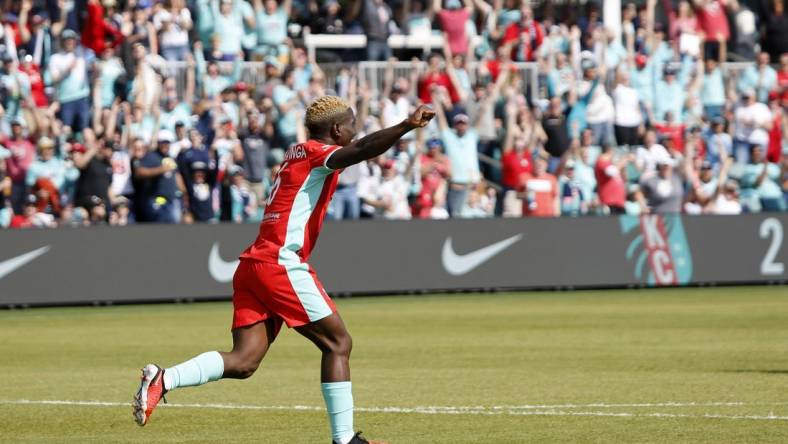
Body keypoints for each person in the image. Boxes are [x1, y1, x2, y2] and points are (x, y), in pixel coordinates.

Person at [133, 97, 435, 444]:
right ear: (337, 129)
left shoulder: (298, 153)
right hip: (279, 263)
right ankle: (344, 439)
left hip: (254, 264)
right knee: (339, 343)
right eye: (351, 124)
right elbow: (364, 149)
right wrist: (406, 125)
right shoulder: (318, 153)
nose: (355, 131)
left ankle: (163, 379)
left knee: (244, 362)